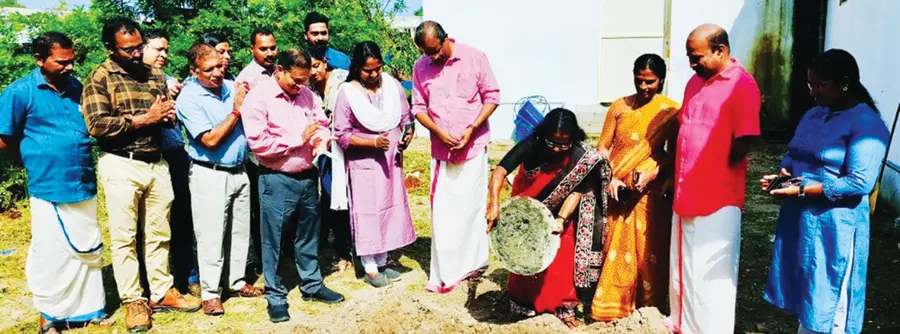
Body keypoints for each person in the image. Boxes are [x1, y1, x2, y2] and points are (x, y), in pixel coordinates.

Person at [82, 18, 201, 332]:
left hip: (156, 161)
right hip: (121, 162)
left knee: (159, 232)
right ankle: (133, 300)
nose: (136, 54)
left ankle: (161, 291)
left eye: (138, 47)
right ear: (111, 48)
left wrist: (166, 116)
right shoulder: (99, 77)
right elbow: (96, 125)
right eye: (128, 50)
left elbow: (163, 117)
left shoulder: (155, 75)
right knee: (124, 238)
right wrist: (144, 119)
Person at [761, 49, 889, 334]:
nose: (813, 92)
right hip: (802, 221)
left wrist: (805, 188)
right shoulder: (814, 114)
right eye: (810, 85)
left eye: (820, 85)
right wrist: (783, 175)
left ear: (844, 83)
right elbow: (794, 152)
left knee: (829, 300)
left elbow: (859, 183)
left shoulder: (867, 125)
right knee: (807, 295)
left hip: (835, 228)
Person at [0, 32, 112, 334]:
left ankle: (90, 310)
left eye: (71, 61)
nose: (69, 67)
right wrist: (36, 155)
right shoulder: (21, 91)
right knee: (51, 251)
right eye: (61, 62)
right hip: (47, 184)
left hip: (82, 180)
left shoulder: (77, 88)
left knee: (87, 247)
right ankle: (50, 316)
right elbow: (4, 138)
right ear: (39, 60)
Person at [665, 24, 761, 334]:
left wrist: (709, 166)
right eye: (690, 57)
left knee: (710, 277)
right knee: (683, 270)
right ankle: (681, 325)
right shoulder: (694, 82)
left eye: (697, 57)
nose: (692, 64)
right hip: (685, 190)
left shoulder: (742, 85)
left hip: (717, 197)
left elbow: (743, 142)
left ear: (720, 51)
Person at [241, 49, 346, 323]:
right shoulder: (258, 98)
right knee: (273, 240)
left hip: (307, 177)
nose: (300, 86)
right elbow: (259, 143)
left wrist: (321, 140)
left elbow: (320, 123)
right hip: (276, 180)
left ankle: (311, 285)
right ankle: (275, 295)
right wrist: (298, 139)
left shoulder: (307, 94)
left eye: (304, 81)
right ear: (280, 71)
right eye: (295, 81)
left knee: (307, 236)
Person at [486, 108, 610, 328]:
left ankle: (564, 309)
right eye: (552, 142)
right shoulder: (531, 144)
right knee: (526, 257)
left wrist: (561, 219)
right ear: (543, 135)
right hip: (527, 213)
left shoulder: (578, 156)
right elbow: (500, 171)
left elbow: (577, 188)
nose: (557, 148)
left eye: (564, 144)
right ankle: (525, 307)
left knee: (561, 259)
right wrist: (494, 204)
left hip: (560, 213)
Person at [412, 20, 500, 293]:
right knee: (443, 213)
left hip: (473, 148)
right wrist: (438, 132)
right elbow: (418, 107)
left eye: (436, 51)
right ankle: (445, 273)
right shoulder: (420, 67)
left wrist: (471, 128)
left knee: (471, 209)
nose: (433, 57)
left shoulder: (475, 57)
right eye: (427, 53)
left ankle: (472, 264)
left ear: (446, 39)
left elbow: (492, 97)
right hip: (442, 151)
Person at [176, 43, 264, 316]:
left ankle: (236, 281)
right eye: (208, 69)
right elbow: (210, 140)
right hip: (209, 172)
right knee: (211, 234)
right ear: (193, 71)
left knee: (240, 231)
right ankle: (211, 292)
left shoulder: (230, 86)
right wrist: (236, 111)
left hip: (238, 170)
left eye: (218, 66)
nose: (217, 72)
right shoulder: (188, 98)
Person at [591, 54, 679, 321]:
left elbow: (673, 155)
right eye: (639, 80)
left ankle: (648, 308)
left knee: (648, 249)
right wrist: (610, 179)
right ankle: (611, 306)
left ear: (661, 80)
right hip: (616, 186)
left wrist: (655, 172)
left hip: (648, 191)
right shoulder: (619, 106)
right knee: (613, 247)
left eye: (650, 82)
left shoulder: (671, 112)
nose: (644, 87)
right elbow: (602, 147)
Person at [333, 41, 417, 287]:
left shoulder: (391, 86)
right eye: (368, 70)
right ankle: (369, 267)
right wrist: (371, 143)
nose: (374, 75)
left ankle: (383, 260)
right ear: (357, 68)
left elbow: (405, 118)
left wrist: (407, 136)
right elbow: (342, 135)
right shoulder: (346, 93)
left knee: (388, 208)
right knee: (367, 212)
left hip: (390, 161)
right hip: (364, 165)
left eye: (378, 69)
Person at [142, 28, 201, 298]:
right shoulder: (133, 80)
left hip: (175, 153)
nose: (163, 55)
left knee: (181, 217)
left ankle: (187, 274)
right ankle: (153, 281)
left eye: (166, 49)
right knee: (151, 224)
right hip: (148, 158)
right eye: (157, 49)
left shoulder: (172, 81)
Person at [235, 28, 278, 283]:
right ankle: (260, 261)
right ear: (253, 50)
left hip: (283, 150)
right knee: (260, 209)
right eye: (264, 49)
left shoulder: (280, 71)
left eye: (273, 47)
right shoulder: (247, 78)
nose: (270, 53)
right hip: (258, 155)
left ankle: (280, 254)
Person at [308, 46, 353, 273]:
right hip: (325, 153)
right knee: (331, 199)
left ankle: (354, 249)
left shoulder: (343, 83)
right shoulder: (307, 91)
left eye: (316, 66)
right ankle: (341, 251)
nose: (312, 72)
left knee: (351, 200)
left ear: (325, 63)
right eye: (308, 68)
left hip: (349, 149)